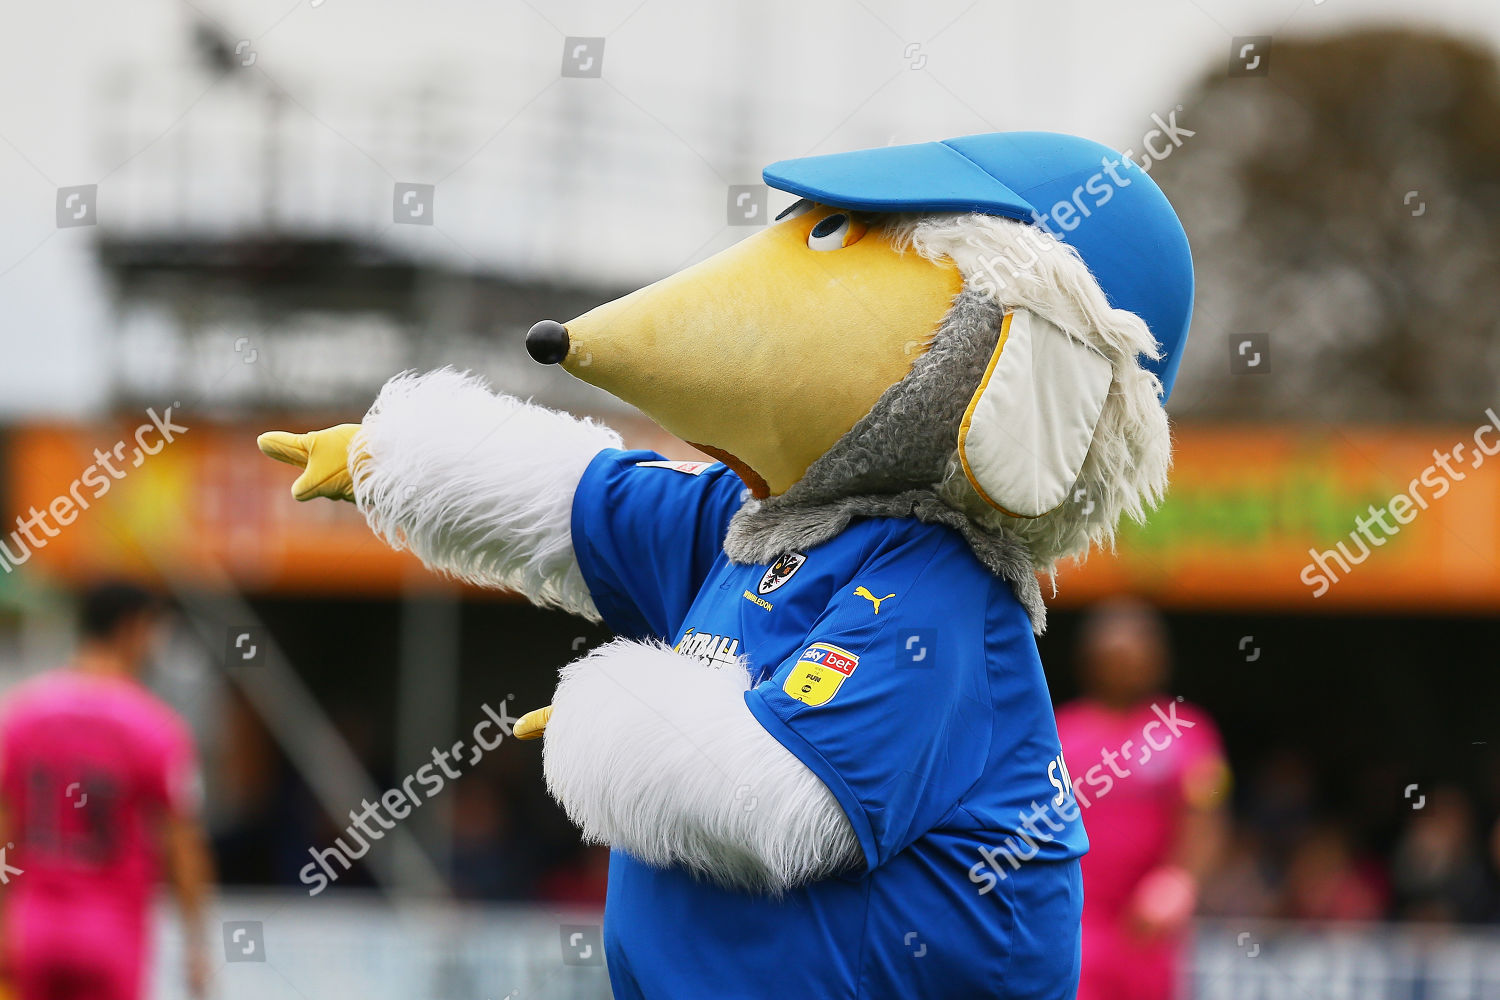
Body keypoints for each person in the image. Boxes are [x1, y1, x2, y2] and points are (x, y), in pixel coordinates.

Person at [0, 582, 213, 1000]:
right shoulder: (156, 727)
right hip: (111, 934)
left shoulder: (22, 714)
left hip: (34, 930)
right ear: (132, 629)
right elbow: (182, 844)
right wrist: (197, 942)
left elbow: (6, 825)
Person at [1055, 597, 1230, 1000]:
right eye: (1114, 655)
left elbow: (1209, 815)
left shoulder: (1189, 732)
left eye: (1138, 654)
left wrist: (1181, 881)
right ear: (1089, 661)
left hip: (1150, 928)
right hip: (1078, 926)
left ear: (1159, 659)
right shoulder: (1059, 732)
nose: (1126, 665)